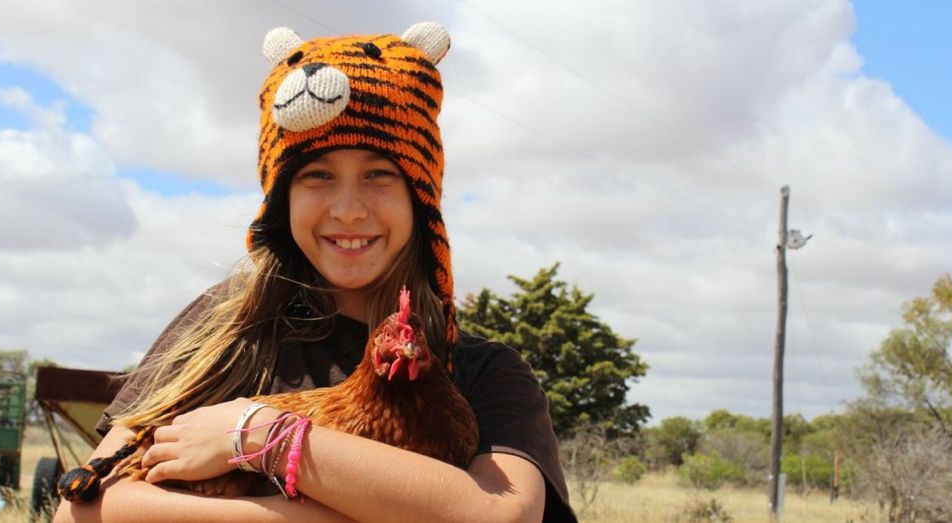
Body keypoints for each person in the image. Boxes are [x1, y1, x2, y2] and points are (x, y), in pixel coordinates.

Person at [54, 20, 576, 523]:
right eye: (317, 176)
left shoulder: (485, 375)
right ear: (282, 200)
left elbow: (500, 514)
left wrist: (258, 435)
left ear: (420, 199)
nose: (348, 209)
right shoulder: (223, 332)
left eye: (378, 175)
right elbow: (84, 508)